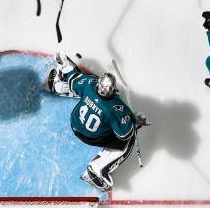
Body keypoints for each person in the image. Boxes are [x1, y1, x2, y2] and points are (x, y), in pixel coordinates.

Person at [45, 51, 149, 191]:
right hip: (91, 137)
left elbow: (73, 77)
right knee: (128, 141)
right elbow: (125, 134)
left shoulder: (90, 83)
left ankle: (57, 86)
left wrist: (64, 64)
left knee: (83, 89)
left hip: (75, 123)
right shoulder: (115, 109)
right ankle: (96, 169)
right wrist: (134, 122)